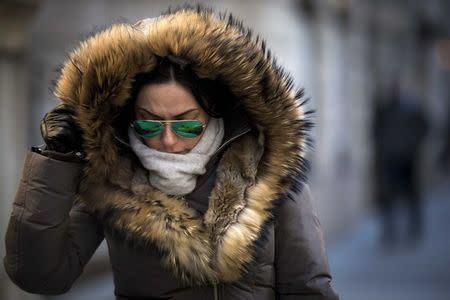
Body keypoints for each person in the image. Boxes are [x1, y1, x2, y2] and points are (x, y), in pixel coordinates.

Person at [4, 6, 339, 300]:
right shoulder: (109, 180)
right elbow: (39, 275)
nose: (167, 141)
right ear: (128, 120)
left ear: (217, 114)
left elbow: (307, 289)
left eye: (187, 125)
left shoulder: (270, 175)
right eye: (149, 125)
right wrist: (56, 161)